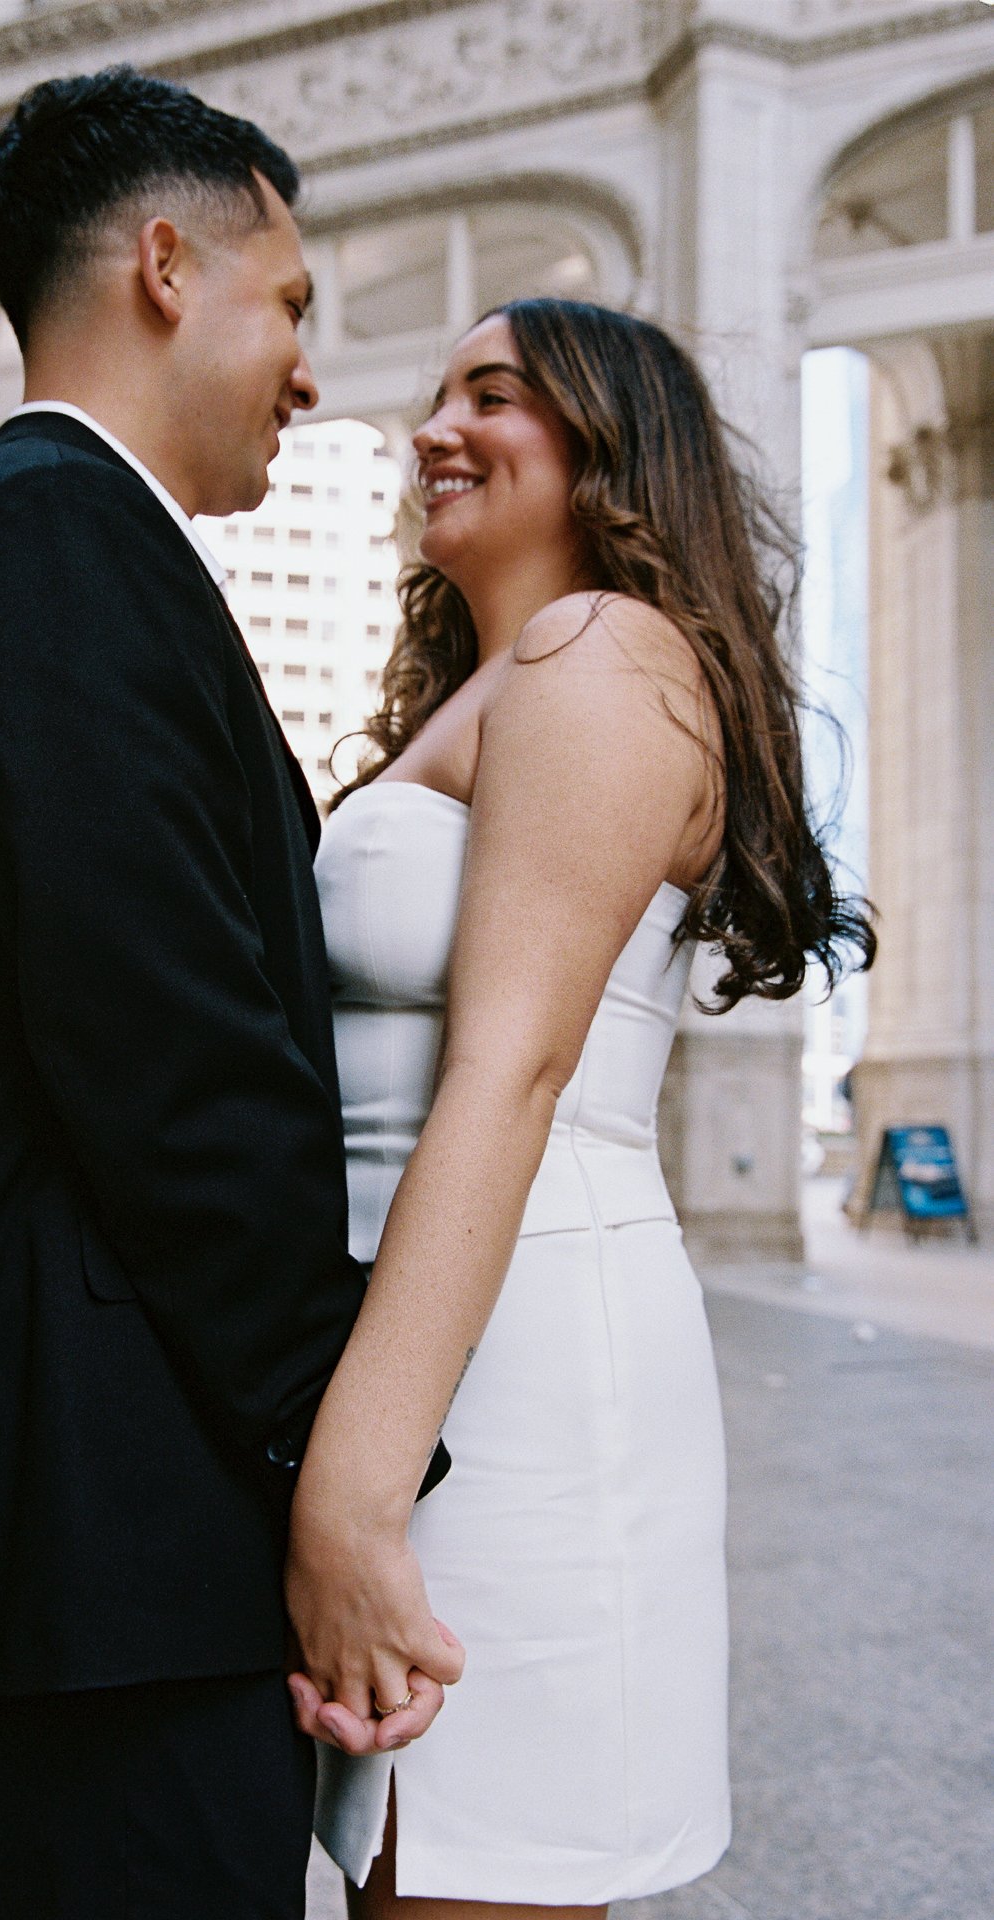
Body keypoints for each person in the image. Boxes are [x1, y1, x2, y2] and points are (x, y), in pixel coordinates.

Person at [0, 68, 455, 1920]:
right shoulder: (55, 542)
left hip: (58, 1524)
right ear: (161, 265)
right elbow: (173, 1058)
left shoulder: (44, 544)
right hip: (94, 1533)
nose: (309, 369)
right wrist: (344, 1455)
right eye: (288, 303)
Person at [286, 300, 876, 1914]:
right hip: (431, 1346)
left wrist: (356, 1484)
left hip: (524, 1365)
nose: (434, 429)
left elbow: (515, 1069)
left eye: (494, 394)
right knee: (412, 1876)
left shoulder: (603, 651)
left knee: (481, 1871)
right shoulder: (494, 688)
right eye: (437, 396)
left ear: (616, 447)